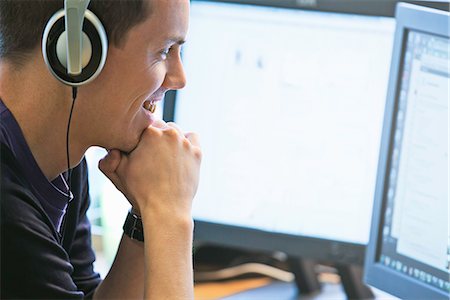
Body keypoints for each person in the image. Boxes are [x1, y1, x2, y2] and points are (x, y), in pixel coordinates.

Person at [0, 0, 201, 298]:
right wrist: (170, 213)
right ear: (78, 50)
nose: (179, 79)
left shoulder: (59, 150)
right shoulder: (7, 211)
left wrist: (145, 217)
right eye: (164, 50)